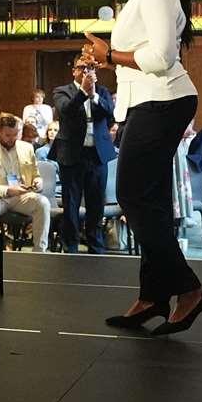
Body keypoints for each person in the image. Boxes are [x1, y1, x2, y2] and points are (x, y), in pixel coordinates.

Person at [85, 0, 202, 335]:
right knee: (150, 201)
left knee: (132, 196)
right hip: (149, 103)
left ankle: (188, 288)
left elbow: (160, 57)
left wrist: (112, 54)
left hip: (164, 100)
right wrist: (110, 59)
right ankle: (153, 296)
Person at [52, 52, 118, 254]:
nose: (87, 72)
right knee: (71, 203)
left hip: (97, 155)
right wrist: (83, 92)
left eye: (91, 69)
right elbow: (67, 110)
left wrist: (94, 95)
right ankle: (70, 246)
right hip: (72, 155)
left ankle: (96, 245)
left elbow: (110, 114)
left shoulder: (103, 92)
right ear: (74, 71)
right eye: (82, 68)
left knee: (96, 203)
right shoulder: (62, 91)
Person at [0, 113, 52, 249]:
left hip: (21, 195)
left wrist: (38, 182)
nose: (12, 139)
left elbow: (36, 175)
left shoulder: (27, 148)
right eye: (8, 135)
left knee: (43, 203)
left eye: (16, 134)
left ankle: (40, 252)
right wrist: (7, 190)